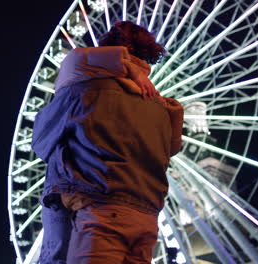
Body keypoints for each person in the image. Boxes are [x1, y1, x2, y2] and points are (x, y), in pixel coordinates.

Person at [32, 21, 184, 264]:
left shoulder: (85, 89)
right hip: (145, 217)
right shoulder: (164, 110)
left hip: (99, 208)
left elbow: (40, 140)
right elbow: (171, 150)